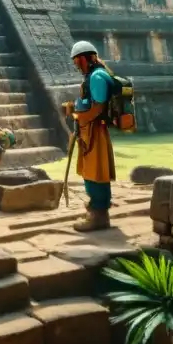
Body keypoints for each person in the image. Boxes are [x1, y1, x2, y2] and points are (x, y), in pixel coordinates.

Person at [62, 40, 117, 232]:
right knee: (91, 170)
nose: (76, 64)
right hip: (89, 130)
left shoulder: (97, 77)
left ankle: (99, 215)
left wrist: (77, 115)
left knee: (96, 172)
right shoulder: (94, 76)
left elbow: (98, 108)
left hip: (95, 131)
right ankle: (95, 211)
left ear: (85, 58)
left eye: (77, 60)